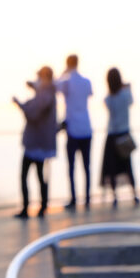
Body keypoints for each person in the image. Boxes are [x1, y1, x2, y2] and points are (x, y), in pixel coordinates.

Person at [12, 66, 57, 219]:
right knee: (39, 176)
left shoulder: (45, 95)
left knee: (26, 175)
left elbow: (32, 113)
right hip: (41, 144)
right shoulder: (49, 92)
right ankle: (42, 206)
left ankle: (28, 208)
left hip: (35, 144)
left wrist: (19, 104)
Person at [56, 55, 93, 210]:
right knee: (86, 166)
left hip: (73, 130)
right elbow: (90, 94)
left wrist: (63, 72)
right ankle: (87, 198)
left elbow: (54, 85)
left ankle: (73, 198)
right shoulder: (86, 82)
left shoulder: (66, 82)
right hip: (86, 127)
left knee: (71, 167)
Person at [100, 68, 139, 208]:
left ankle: (115, 197)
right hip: (124, 134)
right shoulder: (125, 94)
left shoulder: (108, 98)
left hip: (112, 136)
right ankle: (135, 195)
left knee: (112, 168)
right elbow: (131, 101)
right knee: (128, 166)